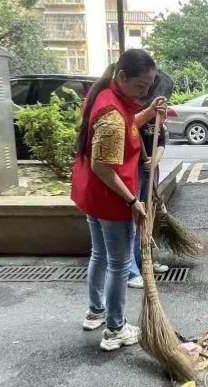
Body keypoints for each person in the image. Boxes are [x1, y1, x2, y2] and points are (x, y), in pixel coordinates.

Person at [71, 49, 166, 351]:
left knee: (99, 254)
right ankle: (115, 329)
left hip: (93, 195)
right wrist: (131, 201)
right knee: (120, 264)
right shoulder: (112, 112)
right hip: (111, 199)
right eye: (141, 86)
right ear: (122, 76)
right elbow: (103, 166)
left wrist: (149, 111)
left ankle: (95, 311)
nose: (145, 90)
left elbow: (127, 126)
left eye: (149, 86)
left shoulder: (105, 96)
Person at [127, 71, 174, 289]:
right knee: (135, 220)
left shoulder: (159, 114)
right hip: (132, 173)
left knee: (148, 219)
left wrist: (154, 160)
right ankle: (131, 270)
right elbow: (129, 130)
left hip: (149, 172)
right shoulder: (131, 111)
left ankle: (145, 260)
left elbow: (162, 140)